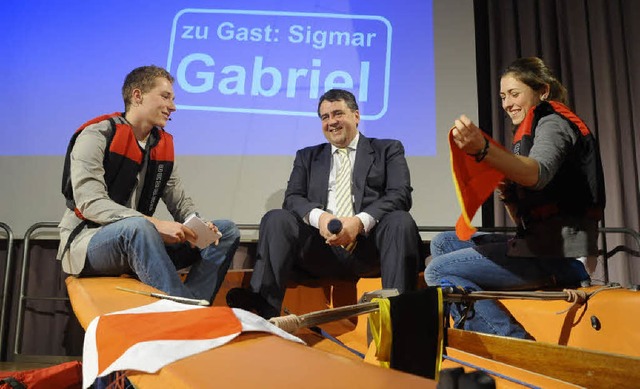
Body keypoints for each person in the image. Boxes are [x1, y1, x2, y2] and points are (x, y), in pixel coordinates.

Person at [424, 57, 605, 338]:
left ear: (542, 91)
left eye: (514, 93)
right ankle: (480, 319)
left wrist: (485, 150)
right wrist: (509, 196)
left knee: (435, 273)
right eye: (502, 96)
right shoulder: (529, 131)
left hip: (564, 255)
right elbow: (525, 220)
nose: (507, 103)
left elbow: (538, 174)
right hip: (539, 245)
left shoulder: (553, 123)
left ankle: (517, 344)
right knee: (442, 242)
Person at [227, 89, 423, 319]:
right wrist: (320, 218)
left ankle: (396, 324)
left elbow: (400, 195)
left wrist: (358, 223)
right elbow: (292, 198)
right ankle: (261, 316)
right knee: (276, 218)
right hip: (321, 250)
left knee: (400, 220)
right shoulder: (307, 156)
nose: (331, 122)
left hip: (370, 250)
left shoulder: (387, 149)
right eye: (325, 117)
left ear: (356, 116)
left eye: (337, 114)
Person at [57, 65, 240, 303]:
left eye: (173, 99)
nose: (173, 107)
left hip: (143, 242)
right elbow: (90, 202)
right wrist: (154, 224)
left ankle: (191, 304)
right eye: (165, 97)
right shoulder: (96, 135)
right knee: (138, 227)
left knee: (226, 231)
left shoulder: (160, 145)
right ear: (137, 96)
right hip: (90, 243)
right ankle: (182, 308)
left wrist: (200, 224)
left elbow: (181, 203)